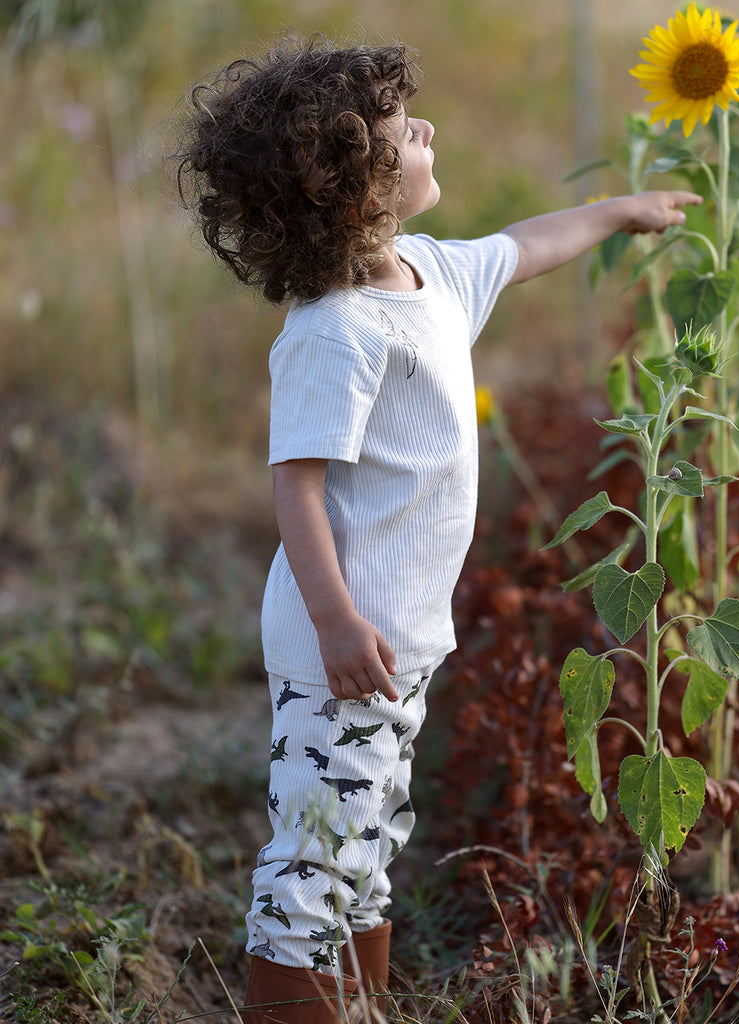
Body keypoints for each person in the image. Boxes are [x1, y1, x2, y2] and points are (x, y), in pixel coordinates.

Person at [172, 34, 701, 1024]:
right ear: (351, 186)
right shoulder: (335, 331)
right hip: (345, 644)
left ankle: (356, 1000)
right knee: (319, 845)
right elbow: (296, 488)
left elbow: (524, 246)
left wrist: (619, 212)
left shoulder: (426, 274)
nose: (424, 129)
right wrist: (332, 621)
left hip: (400, 637)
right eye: (396, 130)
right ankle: (292, 1000)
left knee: (369, 830)